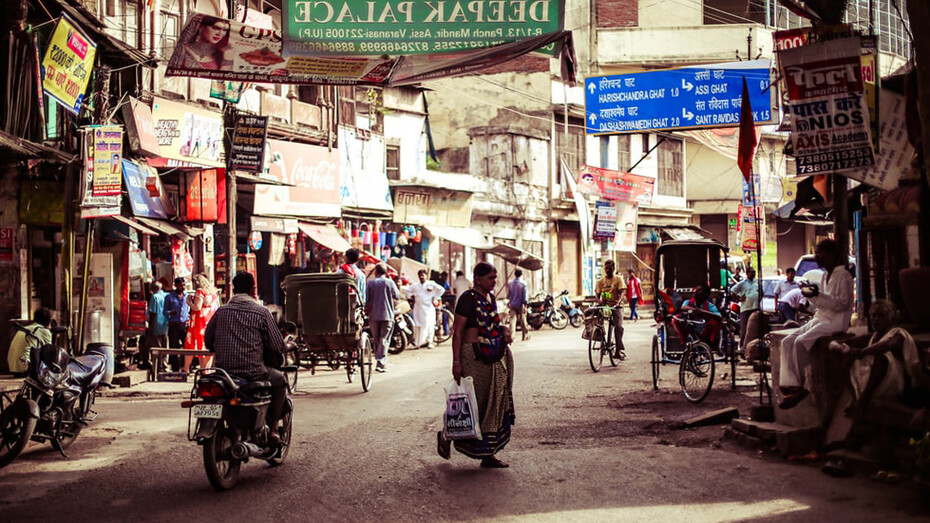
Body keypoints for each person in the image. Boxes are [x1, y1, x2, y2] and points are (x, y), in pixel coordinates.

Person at [437, 262, 515, 468]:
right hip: (472, 356)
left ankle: (487, 454)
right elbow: (458, 332)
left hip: (491, 355)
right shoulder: (467, 299)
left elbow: (492, 325)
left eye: (495, 277)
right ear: (478, 279)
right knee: (473, 404)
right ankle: (447, 435)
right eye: (490, 277)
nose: (494, 281)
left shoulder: (489, 299)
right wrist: (456, 362)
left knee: (492, 403)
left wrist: (504, 330)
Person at [205, 272, 287, 445]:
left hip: (223, 373)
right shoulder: (262, 312)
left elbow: (208, 340)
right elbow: (277, 345)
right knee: (280, 380)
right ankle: (273, 430)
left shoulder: (221, 311)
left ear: (234, 289)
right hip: (253, 372)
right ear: (253, 289)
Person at [778, 239, 854, 409]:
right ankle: (790, 385)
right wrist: (812, 294)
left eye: (820, 253)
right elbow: (821, 303)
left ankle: (803, 386)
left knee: (799, 342)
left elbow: (842, 304)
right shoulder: (825, 275)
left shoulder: (844, 276)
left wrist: (819, 295)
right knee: (787, 341)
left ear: (831, 255)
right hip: (821, 317)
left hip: (835, 322)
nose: (816, 257)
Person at [828, 300, 925, 419]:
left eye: (881, 315)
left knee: (882, 356)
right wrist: (841, 348)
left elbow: (889, 344)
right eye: (873, 316)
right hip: (875, 382)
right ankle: (855, 398)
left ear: (891, 317)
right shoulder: (873, 336)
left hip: (896, 383)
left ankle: (863, 400)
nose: (876, 319)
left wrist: (862, 352)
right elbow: (834, 344)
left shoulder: (898, 333)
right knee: (846, 358)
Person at [366, 263, 399, 373]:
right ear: (385, 273)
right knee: (384, 339)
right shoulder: (389, 282)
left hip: (373, 316)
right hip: (388, 316)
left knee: (376, 339)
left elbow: (366, 299)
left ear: (376, 272)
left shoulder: (370, 283)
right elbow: (397, 296)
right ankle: (380, 362)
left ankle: (379, 360)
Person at [185, 273, 219, 372]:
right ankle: (206, 370)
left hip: (199, 322)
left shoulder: (200, 292)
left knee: (196, 345)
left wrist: (189, 302)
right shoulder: (213, 293)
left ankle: (188, 369)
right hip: (209, 321)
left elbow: (197, 307)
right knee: (207, 346)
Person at [6, 308, 52, 376]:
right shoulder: (43, 330)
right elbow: (49, 352)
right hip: (26, 369)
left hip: (13, 369)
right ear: (48, 320)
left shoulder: (24, 328)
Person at [595, 259, 626, 356]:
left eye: (610, 268)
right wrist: (599, 301)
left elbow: (622, 292)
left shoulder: (618, 279)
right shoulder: (600, 281)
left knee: (619, 327)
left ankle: (619, 349)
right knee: (596, 321)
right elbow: (597, 295)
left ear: (613, 268)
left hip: (616, 306)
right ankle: (601, 341)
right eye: (606, 268)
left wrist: (619, 302)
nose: (608, 270)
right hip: (605, 306)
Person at [675, 284, 722, 349]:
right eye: (696, 289)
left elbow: (719, 316)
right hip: (688, 327)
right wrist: (695, 310)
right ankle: (683, 343)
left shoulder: (710, 305)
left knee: (714, 323)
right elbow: (683, 307)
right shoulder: (688, 302)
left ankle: (709, 343)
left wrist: (703, 311)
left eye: (699, 290)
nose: (696, 291)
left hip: (703, 330)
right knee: (676, 319)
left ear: (705, 294)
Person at [406, 269, 444, 348]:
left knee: (430, 324)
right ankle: (418, 343)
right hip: (418, 308)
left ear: (427, 276)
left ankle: (430, 342)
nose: (421, 277)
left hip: (429, 308)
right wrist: (411, 297)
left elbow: (441, 290)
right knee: (418, 325)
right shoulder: (415, 285)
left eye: (423, 275)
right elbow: (407, 290)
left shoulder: (431, 284)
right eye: (420, 275)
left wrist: (434, 296)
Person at [730, 266, 759, 354]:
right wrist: (739, 298)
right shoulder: (742, 283)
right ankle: (743, 347)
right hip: (746, 308)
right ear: (747, 274)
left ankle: (753, 348)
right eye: (752, 272)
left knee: (754, 328)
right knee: (745, 328)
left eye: (754, 272)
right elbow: (732, 291)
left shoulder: (756, 282)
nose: (753, 274)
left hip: (755, 307)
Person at [164, 277, 190, 372]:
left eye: (183, 285)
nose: (182, 287)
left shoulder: (187, 296)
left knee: (187, 347)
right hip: (174, 325)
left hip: (184, 325)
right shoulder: (169, 297)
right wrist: (171, 312)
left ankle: (186, 367)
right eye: (180, 285)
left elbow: (190, 310)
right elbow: (165, 312)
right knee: (173, 347)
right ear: (175, 285)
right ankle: (175, 368)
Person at [143, 281, 169, 370]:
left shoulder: (154, 297)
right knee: (165, 346)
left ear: (154, 289)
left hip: (156, 324)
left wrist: (150, 326)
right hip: (166, 324)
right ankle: (165, 364)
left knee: (157, 346)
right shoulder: (166, 295)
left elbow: (153, 312)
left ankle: (159, 366)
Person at [506, 269, 529, 342]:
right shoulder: (523, 284)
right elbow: (525, 297)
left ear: (515, 275)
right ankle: (525, 336)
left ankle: (512, 337)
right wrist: (525, 305)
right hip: (521, 305)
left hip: (512, 304)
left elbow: (508, 295)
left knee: (512, 321)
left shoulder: (510, 283)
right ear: (521, 275)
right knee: (523, 320)